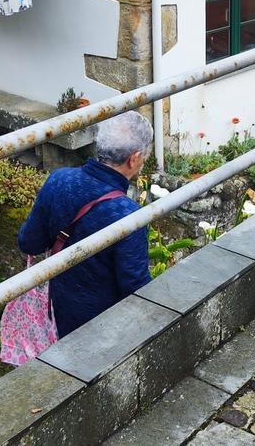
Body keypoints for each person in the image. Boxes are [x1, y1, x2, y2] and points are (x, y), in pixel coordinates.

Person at [18, 110, 154, 337]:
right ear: (134, 158)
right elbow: (136, 287)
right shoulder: (129, 216)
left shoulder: (59, 179)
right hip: (102, 328)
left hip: (55, 312)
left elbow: (28, 242)